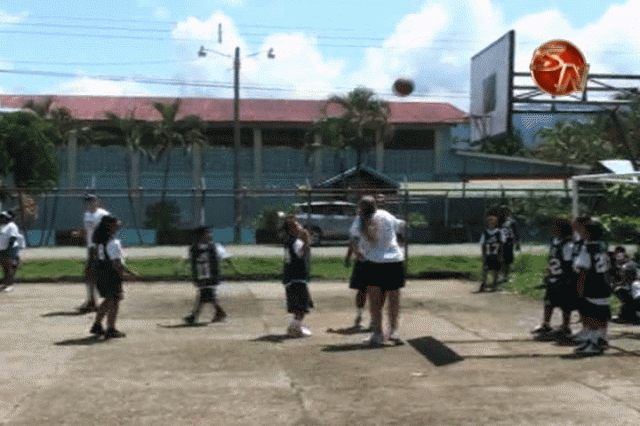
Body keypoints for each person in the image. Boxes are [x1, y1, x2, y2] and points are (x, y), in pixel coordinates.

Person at [350, 196, 406, 346]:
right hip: (394, 260)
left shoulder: (360, 220)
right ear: (375, 206)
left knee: (375, 301)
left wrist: (358, 253)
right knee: (393, 298)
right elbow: (400, 227)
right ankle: (393, 332)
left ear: (361, 208)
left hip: (373, 262)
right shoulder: (386, 215)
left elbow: (354, 240)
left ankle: (378, 333)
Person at [89, 215, 139, 339]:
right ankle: (110, 328)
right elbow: (116, 264)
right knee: (114, 300)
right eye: (116, 224)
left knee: (108, 299)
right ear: (111, 226)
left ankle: (97, 324)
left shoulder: (100, 241)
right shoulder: (114, 243)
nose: (118, 225)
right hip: (111, 275)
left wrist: (128, 272)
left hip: (101, 273)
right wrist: (125, 276)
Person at [531, 217, 576, 339]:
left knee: (565, 304)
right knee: (548, 301)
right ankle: (546, 324)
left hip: (562, 278)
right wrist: (549, 273)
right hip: (553, 277)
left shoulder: (568, 245)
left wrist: (565, 279)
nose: (552, 229)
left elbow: (568, 264)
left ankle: (566, 327)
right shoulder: (555, 241)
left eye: (555, 227)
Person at [184, 226, 237, 325]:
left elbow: (225, 258)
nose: (209, 234)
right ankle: (218, 313)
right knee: (206, 295)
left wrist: (233, 269)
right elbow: (191, 261)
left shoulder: (214, 246)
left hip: (211, 276)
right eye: (207, 233)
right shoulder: (194, 248)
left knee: (205, 295)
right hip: (201, 276)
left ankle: (195, 316)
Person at [573, 222, 611, 355]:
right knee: (602, 314)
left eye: (583, 231)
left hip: (592, 285)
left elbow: (583, 270)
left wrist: (580, 288)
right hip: (604, 284)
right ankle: (601, 339)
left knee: (591, 315)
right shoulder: (602, 246)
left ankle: (593, 343)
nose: (581, 233)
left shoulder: (587, 248)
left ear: (588, 233)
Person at [281, 215, 313, 338]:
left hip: (290, 278)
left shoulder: (288, 242)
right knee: (303, 306)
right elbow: (306, 253)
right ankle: (293, 327)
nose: (300, 227)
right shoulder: (297, 242)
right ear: (292, 229)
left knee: (297, 306)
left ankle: (296, 326)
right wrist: (307, 239)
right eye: (297, 225)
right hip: (297, 278)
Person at [79, 194, 110, 313]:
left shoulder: (103, 214)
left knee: (94, 273)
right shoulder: (86, 214)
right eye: (87, 201)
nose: (89, 203)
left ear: (97, 202)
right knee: (90, 273)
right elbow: (88, 231)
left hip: (100, 247)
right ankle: (92, 300)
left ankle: (97, 300)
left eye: (92, 201)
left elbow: (111, 227)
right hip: (91, 247)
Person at [344, 229, 370, 331]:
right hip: (362, 262)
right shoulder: (358, 227)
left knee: (375, 290)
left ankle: (373, 320)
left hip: (375, 261)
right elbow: (353, 242)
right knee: (362, 290)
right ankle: (359, 315)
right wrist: (348, 256)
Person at [610, 246, 640, 324]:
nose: (617, 255)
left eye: (619, 253)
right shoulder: (615, 264)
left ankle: (631, 315)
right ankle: (628, 314)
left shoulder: (629, 263)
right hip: (627, 287)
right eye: (616, 253)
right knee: (621, 290)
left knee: (626, 290)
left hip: (633, 286)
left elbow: (627, 278)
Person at [476, 213, 504, 293]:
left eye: (493, 222)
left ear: (496, 223)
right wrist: (483, 255)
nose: (491, 223)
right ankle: (484, 284)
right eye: (489, 222)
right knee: (485, 270)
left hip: (496, 254)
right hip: (488, 254)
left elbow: (502, 244)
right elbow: (482, 244)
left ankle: (495, 285)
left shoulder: (499, 232)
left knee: (496, 270)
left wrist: (501, 255)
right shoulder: (485, 232)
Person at [0, 211, 25, 292]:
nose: (2, 218)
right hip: (2, 249)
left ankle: (10, 285)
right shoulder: (2, 226)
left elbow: (13, 238)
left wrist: (8, 250)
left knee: (9, 266)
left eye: (4, 217)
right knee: (5, 268)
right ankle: (6, 283)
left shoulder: (12, 226)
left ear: (9, 217)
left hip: (10, 249)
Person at [499, 206, 520, 283]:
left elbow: (516, 233)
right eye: (503, 211)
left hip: (509, 242)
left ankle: (506, 276)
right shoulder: (499, 221)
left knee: (508, 260)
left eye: (507, 211)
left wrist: (517, 243)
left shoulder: (512, 221)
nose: (505, 213)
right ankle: (500, 275)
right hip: (500, 242)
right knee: (501, 259)